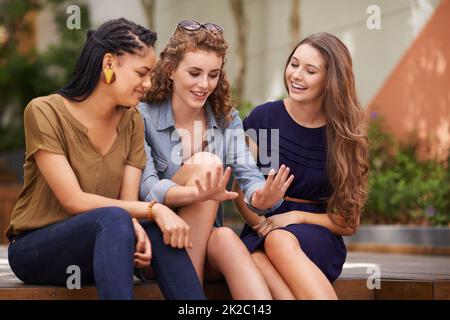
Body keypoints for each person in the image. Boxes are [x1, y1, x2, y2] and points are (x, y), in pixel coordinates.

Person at [6, 18, 206, 300]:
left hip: (106, 245)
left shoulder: (132, 120)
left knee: (155, 231)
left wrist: (141, 224)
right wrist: (155, 209)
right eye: (141, 73)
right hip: (38, 251)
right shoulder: (44, 112)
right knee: (120, 218)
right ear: (109, 64)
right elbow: (73, 200)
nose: (148, 84)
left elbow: (127, 205)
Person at [138, 20, 294, 299]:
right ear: (171, 69)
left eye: (213, 75)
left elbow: (249, 176)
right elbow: (147, 188)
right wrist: (196, 193)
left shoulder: (226, 119)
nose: (204, 84)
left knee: (227, 239)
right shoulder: (143, 115)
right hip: (157, 243)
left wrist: (261, 198)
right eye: (194, 73)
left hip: (204, 239)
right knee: (207, 164)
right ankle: (190, 298)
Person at [233, 32, 369, 300]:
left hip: (317, 239)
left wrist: (296, 217)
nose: (296, 75)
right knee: (258, 257)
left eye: (310, 70)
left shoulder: (343, 135)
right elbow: (239, 191)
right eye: (294, 64)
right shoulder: (264, 118)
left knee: (278, 241)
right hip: (260, 229)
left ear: (330, 81)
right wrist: (261, 223)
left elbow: (348, 223)